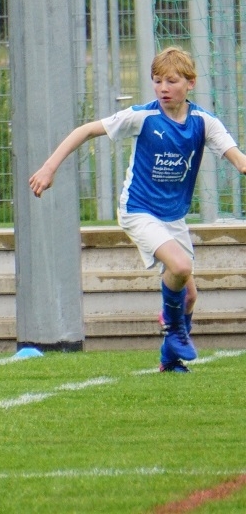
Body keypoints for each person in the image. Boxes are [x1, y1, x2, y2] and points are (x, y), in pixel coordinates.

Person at [28, 46, 246, 373]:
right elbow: (85, 130)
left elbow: (239, 160)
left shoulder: (204, 123)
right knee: (180, 265)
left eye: (171, 81)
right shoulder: (143, 117)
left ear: (190, 83)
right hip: (138, 210)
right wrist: (49, 168)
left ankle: (170, 359)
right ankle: (173, 328)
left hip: (173, 217)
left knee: (189, 297)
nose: (163, 88)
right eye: (157, 81)